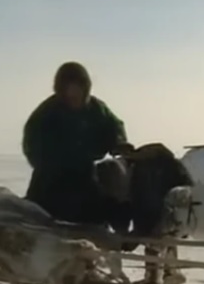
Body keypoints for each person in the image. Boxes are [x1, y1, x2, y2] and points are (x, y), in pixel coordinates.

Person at [22, 61, 132, 227]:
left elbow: (114, 127)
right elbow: (32, 143)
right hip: (50, 179)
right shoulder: (47, 112)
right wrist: (51, 161)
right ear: (61, 90)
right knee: (39, 217)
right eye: (69, 89)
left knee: (105, 205)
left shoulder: (96, 109)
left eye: (77, 88)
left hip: (84, 175)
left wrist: (119, 143)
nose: (74, 94)